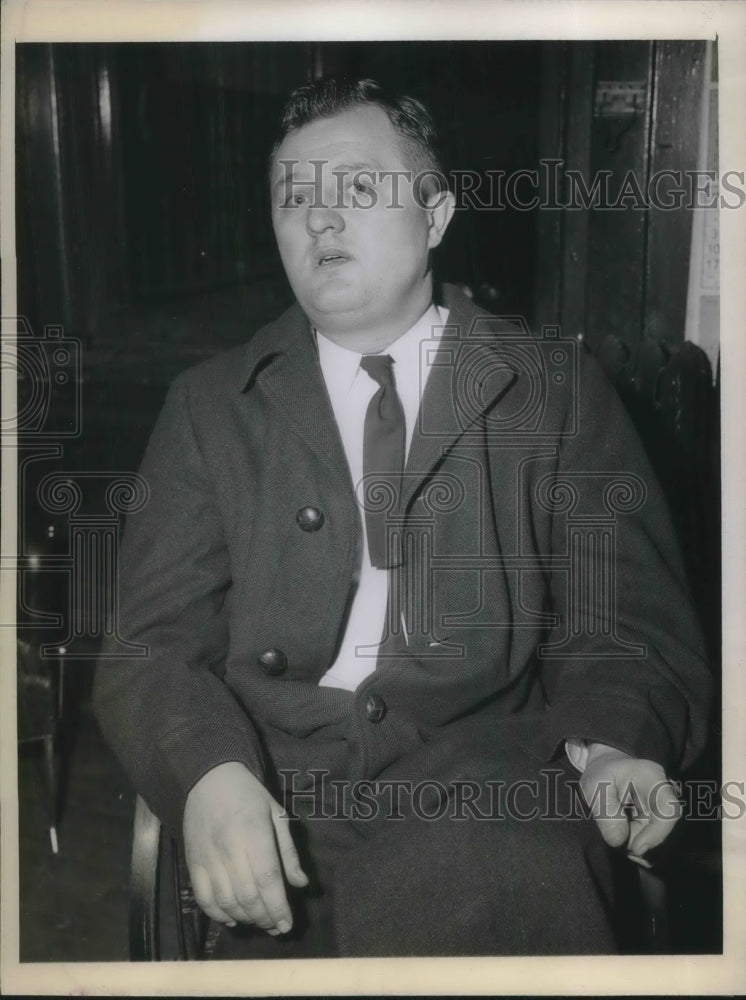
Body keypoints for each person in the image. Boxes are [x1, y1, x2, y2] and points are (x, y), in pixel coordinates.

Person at [94, 77, 710, 957]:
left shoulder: (553, 391)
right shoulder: (208, 406)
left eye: (355, 189)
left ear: (438, 215)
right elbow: (150, 643)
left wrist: (612, 745)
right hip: (277, 793)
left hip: (487, 788)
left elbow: (625, 623)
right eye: (292, 197)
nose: (319, 220)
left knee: (492, 883)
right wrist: (210, 777)